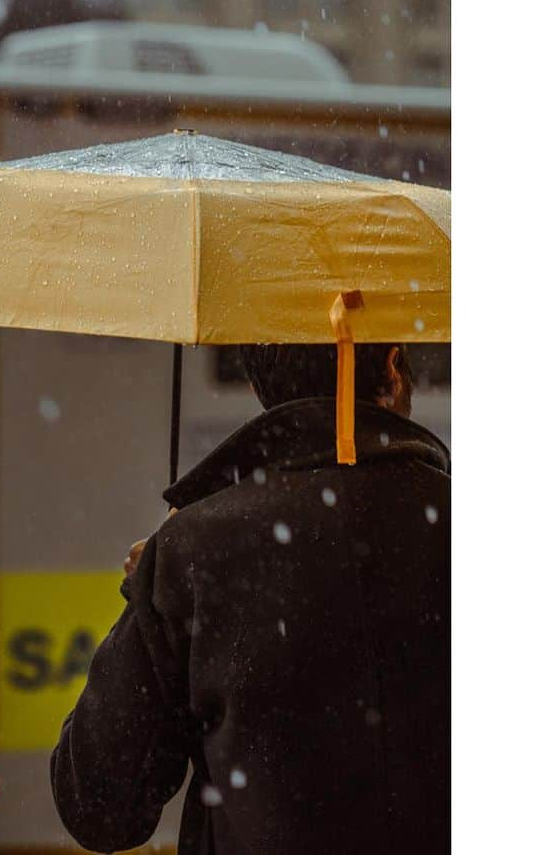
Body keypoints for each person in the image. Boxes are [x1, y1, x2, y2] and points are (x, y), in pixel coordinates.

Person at [50, 343, 449, 855]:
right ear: (393, 370)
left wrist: (152, 584)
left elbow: (99, 808)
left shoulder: (198, 549)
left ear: (262, 382)